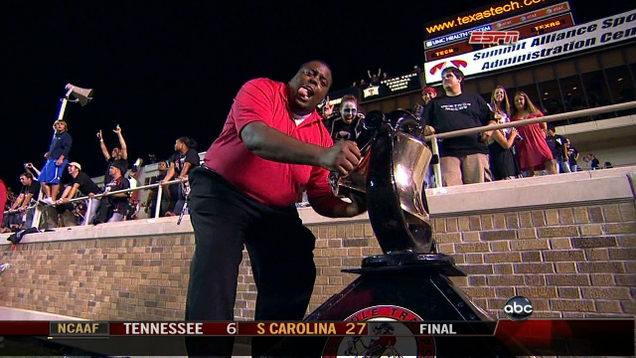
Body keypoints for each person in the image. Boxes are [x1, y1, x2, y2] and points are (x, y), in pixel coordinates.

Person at [185, 60, 365, 357]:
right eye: (310, 73)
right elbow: (256, 138)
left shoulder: (320, 134)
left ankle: (272, 351)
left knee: (295, 268)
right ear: (294, 77)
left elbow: (319, 196)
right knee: (214, 269)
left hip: (274, 211)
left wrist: (353, 207)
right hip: (222, 193)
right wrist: (323, 156)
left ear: (324, 98)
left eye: (322, 82)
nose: (314, 81)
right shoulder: (261, 90)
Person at [421, 66, 494, 186]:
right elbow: (422, 125)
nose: (445, 79)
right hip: (447, 152)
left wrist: (489, 130)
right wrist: (427, 129)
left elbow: (491, 119)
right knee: (452, 192)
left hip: (475, 150)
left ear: (459, 79)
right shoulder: (434, 103)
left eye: (449, 76)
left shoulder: (474, 98)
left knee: (480, 190)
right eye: (443, 77)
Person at [510, 91, 557, 176]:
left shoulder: (534, 111)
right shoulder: (513, 117)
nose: (518, 102)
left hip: (538, 139)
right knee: (530, 167)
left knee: (549, 160)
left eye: (520, 99)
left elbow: (543, 121)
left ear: (525, 100)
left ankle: (557, 183)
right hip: (525, 143)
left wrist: (544, 131)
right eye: (516, 100)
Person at [487, 86, 520, 180]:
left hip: (507, 144)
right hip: (496, 143)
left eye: (501, 93)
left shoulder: (506, 112)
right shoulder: (490, 108)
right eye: (497, 93)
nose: (499, 95)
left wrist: (513, 135)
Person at [161, 137, 200, 216]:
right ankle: (175, 213)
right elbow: (172, 170)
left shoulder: (191, 152)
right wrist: (165, 181)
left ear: (182, 144)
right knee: (181, 198)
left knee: (192, 198)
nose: (175, 145)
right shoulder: (175, 156)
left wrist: (181, 176)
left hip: (192, 180)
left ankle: (196, 214)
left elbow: (187, 166)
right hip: (182, 181)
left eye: (176, 143)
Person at [39, 120, 72, 203]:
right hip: (51, 159)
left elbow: (67, 148)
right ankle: (49, 197)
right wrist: (49, 153)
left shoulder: (66, 136)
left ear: (65, 126)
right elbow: (56, 148)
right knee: (42, 178)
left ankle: (53, 199)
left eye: (62, 124)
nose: (59, 125)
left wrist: (61, 158)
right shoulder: (56, 137)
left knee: (55, 179)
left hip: (58, 159)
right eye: (58, 124)